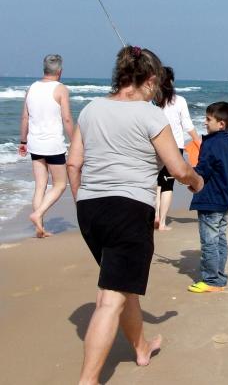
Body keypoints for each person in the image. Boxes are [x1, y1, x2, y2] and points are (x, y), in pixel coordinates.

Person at [66, 45, 204, 385]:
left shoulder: (90, 109)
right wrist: (197, 181)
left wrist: (82, 201)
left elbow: (73, 163)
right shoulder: (151, 115)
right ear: (151, 80)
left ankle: (141, 347)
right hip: (129, 209)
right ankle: (88, 381)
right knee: (110, 298)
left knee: (121, 283)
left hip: (90, 209)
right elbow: (176, 168)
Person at [18, 54, 74, 237]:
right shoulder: (60, 89)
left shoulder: (32, 88)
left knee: (40, 185)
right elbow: (66, 118)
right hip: (53, 145)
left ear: (44, 69)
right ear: (60, 71)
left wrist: (23, 141)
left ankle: (39, 228)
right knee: (60, 184)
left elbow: (25, 117)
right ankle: (38, 214)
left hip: (35, 144)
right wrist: (74, 141)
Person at [188, 102, 228, 293]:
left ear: (221, 124)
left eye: (208, 119)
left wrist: (190, 179)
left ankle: (212, 280)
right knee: (220, 238)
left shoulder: (211, 144)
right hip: (225, 198)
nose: (205, 122)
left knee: (209, 241)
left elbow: (203, 171)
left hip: (211, 199)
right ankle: (219, 275)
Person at [154, 67, 201, 231]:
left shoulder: (153, 100)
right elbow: (187, 125)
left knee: (156, 183)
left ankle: (155, 216)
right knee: (167, 184)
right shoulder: (179, 101)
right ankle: (162, 223)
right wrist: (198, 142)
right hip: (174, 148)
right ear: (171, 81)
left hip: (154, 146)